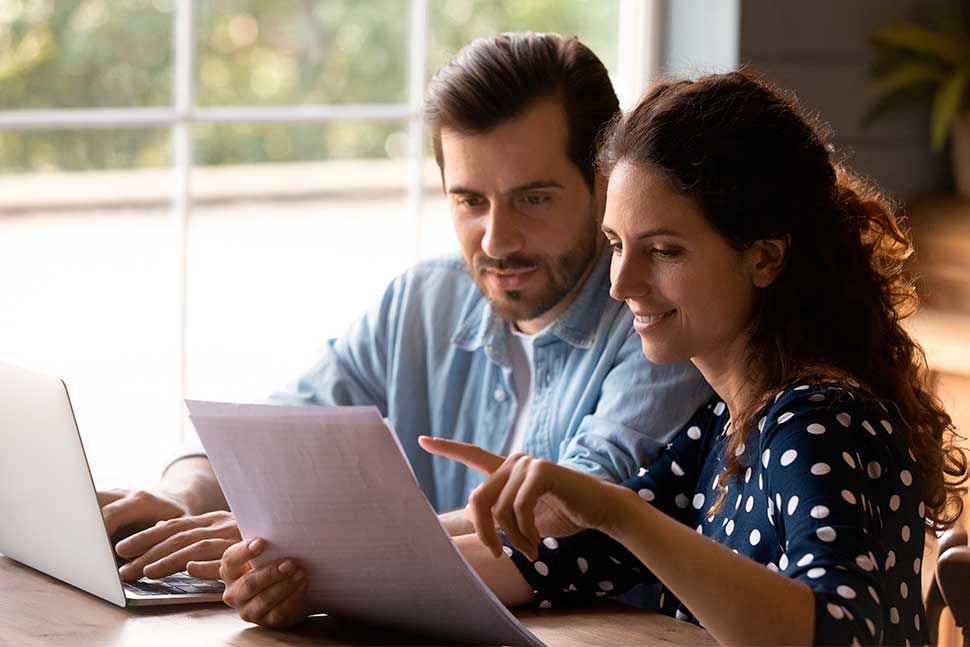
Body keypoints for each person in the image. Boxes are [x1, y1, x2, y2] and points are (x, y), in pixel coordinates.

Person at [219, 71, 969, 646]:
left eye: (664, 250)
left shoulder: (822, 418)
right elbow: (555, 560)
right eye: (617, 245)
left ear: (765, 255)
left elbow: (836, 632)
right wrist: (300, 567)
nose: (622, 283)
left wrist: (615, 512)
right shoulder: (727, 422)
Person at [98, 32, 711, 584]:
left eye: (533, 198)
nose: (496, 240)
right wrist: (180, 498)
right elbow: (273, 437)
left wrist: (311, 548)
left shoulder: (656, 322)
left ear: (604, 185)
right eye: (470, 201)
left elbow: (570, 510)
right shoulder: (422, 301)